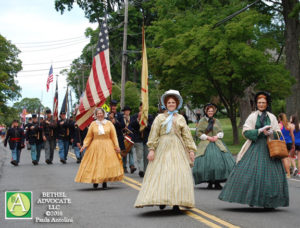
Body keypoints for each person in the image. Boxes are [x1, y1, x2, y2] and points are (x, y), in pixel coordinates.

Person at [219, 91, 289, 209]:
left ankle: (270, 201)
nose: (261, 104)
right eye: (259, 102)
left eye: (263, 102)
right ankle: (251, 198)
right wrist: (259, 131)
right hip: (255, 146)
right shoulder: (252, 116)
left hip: (269, 148)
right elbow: (245, 132)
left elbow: (279, 132)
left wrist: (272, 133)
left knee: (271, 176)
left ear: (267, 104)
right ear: (256, 104)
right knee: (249, 174)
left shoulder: (271, 117)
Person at [134, 90, 196, 211]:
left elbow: (187, 135)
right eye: (169, 102)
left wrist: (191, 150)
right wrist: (152, 149)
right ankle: (161, 198)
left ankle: (176, 202)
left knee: (177, 173)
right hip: (162, 146)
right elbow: (154, 134)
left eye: (173, 102)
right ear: (165, 104)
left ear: (177, 104)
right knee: (162, 172)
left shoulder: (181, 118)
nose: (171, 104)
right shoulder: (159, 118)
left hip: (177, 147)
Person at [75, 108, 124, 189]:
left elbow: (114, 136)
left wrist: (116, 146)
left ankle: (104, 182)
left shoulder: (109, 123)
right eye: (98, 113)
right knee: (96, 164)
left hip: (108, 145)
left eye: (101, 113)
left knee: (105, 164)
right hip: (95, 145)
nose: (99, 115)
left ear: (104, 114)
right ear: (95, 115)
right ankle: (95, 181)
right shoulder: (93, 124)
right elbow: (89, 136)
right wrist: (84, 146)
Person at [192, 104, 235, 189]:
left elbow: (221, 131)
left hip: (216, 142)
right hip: (205, 143)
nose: (210, 113)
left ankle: (218, 182)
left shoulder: (216, 121)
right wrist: (207, 137)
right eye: (209, 111)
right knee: (207, 164)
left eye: (212, 111)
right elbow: (198, 133)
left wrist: (216, 136)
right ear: (206, 111)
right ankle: (210, 182)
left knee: (220, 164)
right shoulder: (202, 121)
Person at [129, 102, 154, 177]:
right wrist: (138, 119)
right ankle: (141, 170)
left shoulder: (149, 117)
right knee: (139, 156)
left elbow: (152, 127)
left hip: (146, 139)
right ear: (139, 108)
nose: (142, 109)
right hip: (138, 139)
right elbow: (131, 125)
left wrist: (145, 123)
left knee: (146, 156)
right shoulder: (134, 116)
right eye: (141, 107)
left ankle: (146, 171)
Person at [278, 113, 295, 178]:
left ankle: (288, 173)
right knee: (287, 157)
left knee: (284, 158)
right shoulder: (289, 125)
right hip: (289, 142)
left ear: (280, 118)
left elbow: (276, 134)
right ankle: (287, 170)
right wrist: (293, 144)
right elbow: (292, 135)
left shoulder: (279, 125)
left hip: (282, 143)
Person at [121, 105, 136, 174]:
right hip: (123, 137)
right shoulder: (121, 117)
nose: (127, 112)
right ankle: (124, 167)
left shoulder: (132, 118)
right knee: (124, 152)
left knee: (131, 151)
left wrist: (128, 120)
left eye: (128, 111)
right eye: (126, 111)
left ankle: (132, 166)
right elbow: (120, 126)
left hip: (130, 137)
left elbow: (134, 126)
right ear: (124, 112)